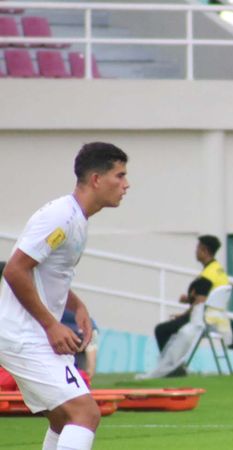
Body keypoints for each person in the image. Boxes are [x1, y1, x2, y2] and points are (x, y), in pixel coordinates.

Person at [0, 142, 129, 450]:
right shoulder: (61, 217)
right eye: (120, 175)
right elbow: (15, 270)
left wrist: (77, 305)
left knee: (63, 419)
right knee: (85, 413)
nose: (126, 184)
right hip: (24, 336)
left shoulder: (76, 218)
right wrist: (51, 325)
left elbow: (44, 272)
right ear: (97, 179)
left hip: (29, 335)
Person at [61, 310, 99, 379]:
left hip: (83, 332)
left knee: (85, 374)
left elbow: (92, 339)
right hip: (67, 334)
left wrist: (90, 368)